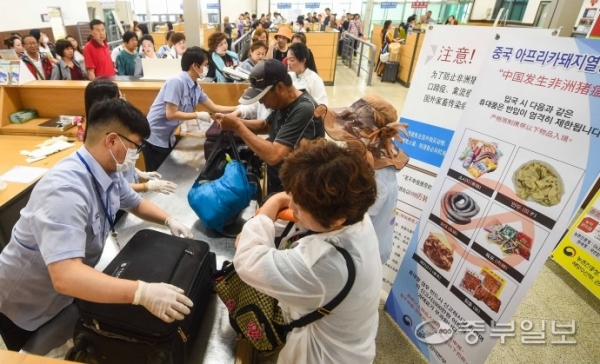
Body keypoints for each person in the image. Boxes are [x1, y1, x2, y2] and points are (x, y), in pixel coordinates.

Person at [0, 98, 194, 354]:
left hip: (65, 294)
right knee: (30, 353)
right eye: (135, 146)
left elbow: (133, 202)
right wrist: (142, 293)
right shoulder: (66, 190)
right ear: (112, 140)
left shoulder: (107, 170)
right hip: (26, 302)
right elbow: (66, 276)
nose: (137, 153)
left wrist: (169, 219)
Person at [233, 138, 381, 364]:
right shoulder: (355, 212)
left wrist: (268, 208)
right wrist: (288, 198)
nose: (291, 206)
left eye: (299, 207)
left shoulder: (323, 264)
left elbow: (247, 260)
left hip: (322, 355)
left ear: (334, 220)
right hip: (354, 341)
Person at [215, 59, 324, 194]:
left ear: (279, 88)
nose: (260, 101)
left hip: (299, 189)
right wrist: (233, 121)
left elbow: (274, 155)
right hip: (280, 179)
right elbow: (265, 125)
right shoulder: (284, 103)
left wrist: (237, 126)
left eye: (263, 96)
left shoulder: (305, 109)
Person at [143, 47, 236, 172]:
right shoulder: (176, 82)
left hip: (167, 137)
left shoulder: (195, 87)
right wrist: (197, 115)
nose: (207, 68)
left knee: (168, 173)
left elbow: (214, 107)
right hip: (154, 137)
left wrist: (239, 108)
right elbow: (171, 114)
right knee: (157, 175)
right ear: (195, 66)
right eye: (205, 65)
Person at [84, 79, 177, 196]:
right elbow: (112, 184)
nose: (123, 100)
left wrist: (138, 173)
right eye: (119, 96)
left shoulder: (119, 127)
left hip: (130, 195)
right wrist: (146, 186)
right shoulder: (102, 142)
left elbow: (121, 168)